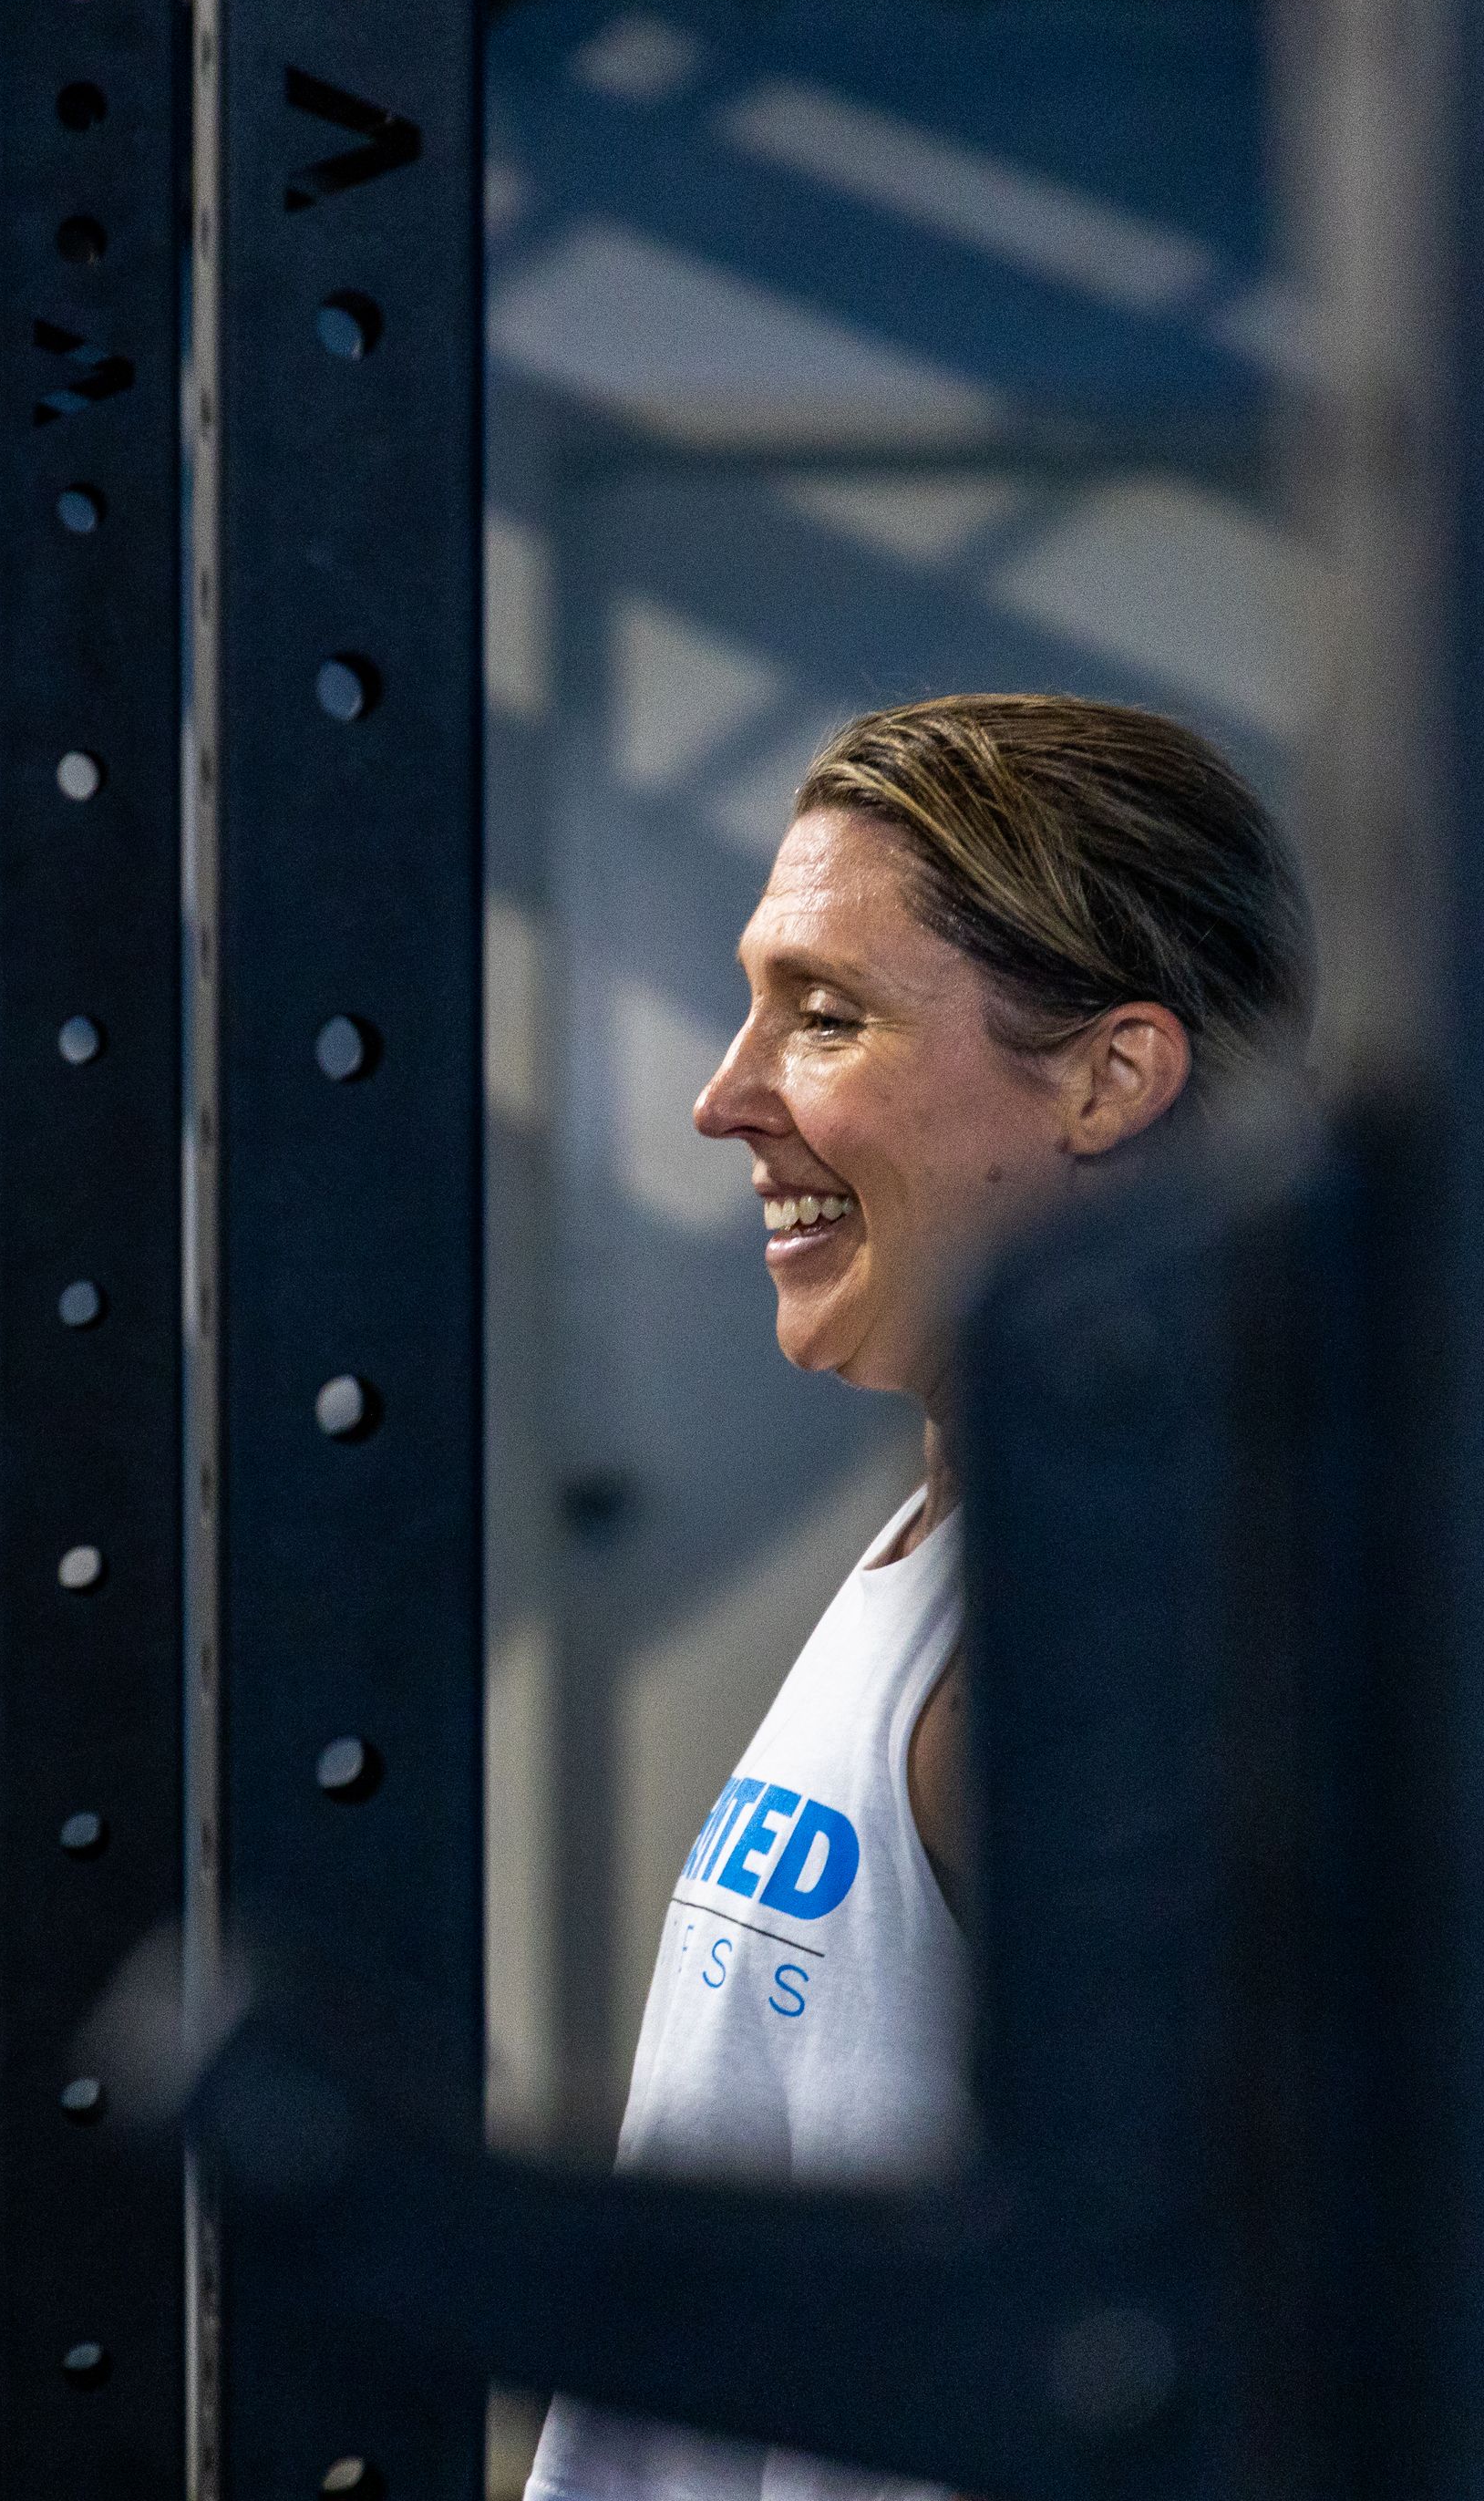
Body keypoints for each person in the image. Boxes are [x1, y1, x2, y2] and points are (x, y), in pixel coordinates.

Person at [524, 692, 1315, 2501]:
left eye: (827, 1014)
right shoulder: (961, 1545)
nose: (727, 1097)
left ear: (1112, 1078)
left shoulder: (1150, 1648)